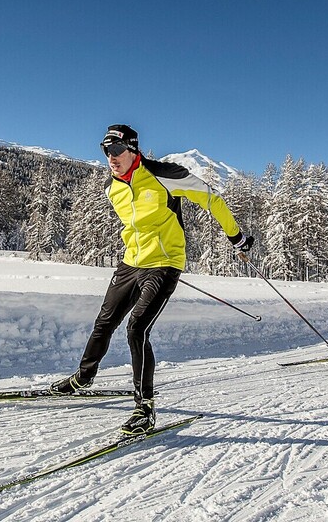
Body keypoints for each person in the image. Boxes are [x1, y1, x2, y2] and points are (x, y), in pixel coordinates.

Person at [50, 124, 253, 435]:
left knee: (137, 328)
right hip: (131, 263)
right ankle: (83, 377)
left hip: (164, 263)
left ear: (133, 150)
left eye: (117, 149)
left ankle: (144, 408)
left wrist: (237, 238)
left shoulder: (164, 174)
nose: (111, 157)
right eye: (106, 150)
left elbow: (212, 199)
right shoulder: (112, 188)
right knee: (104, 322)